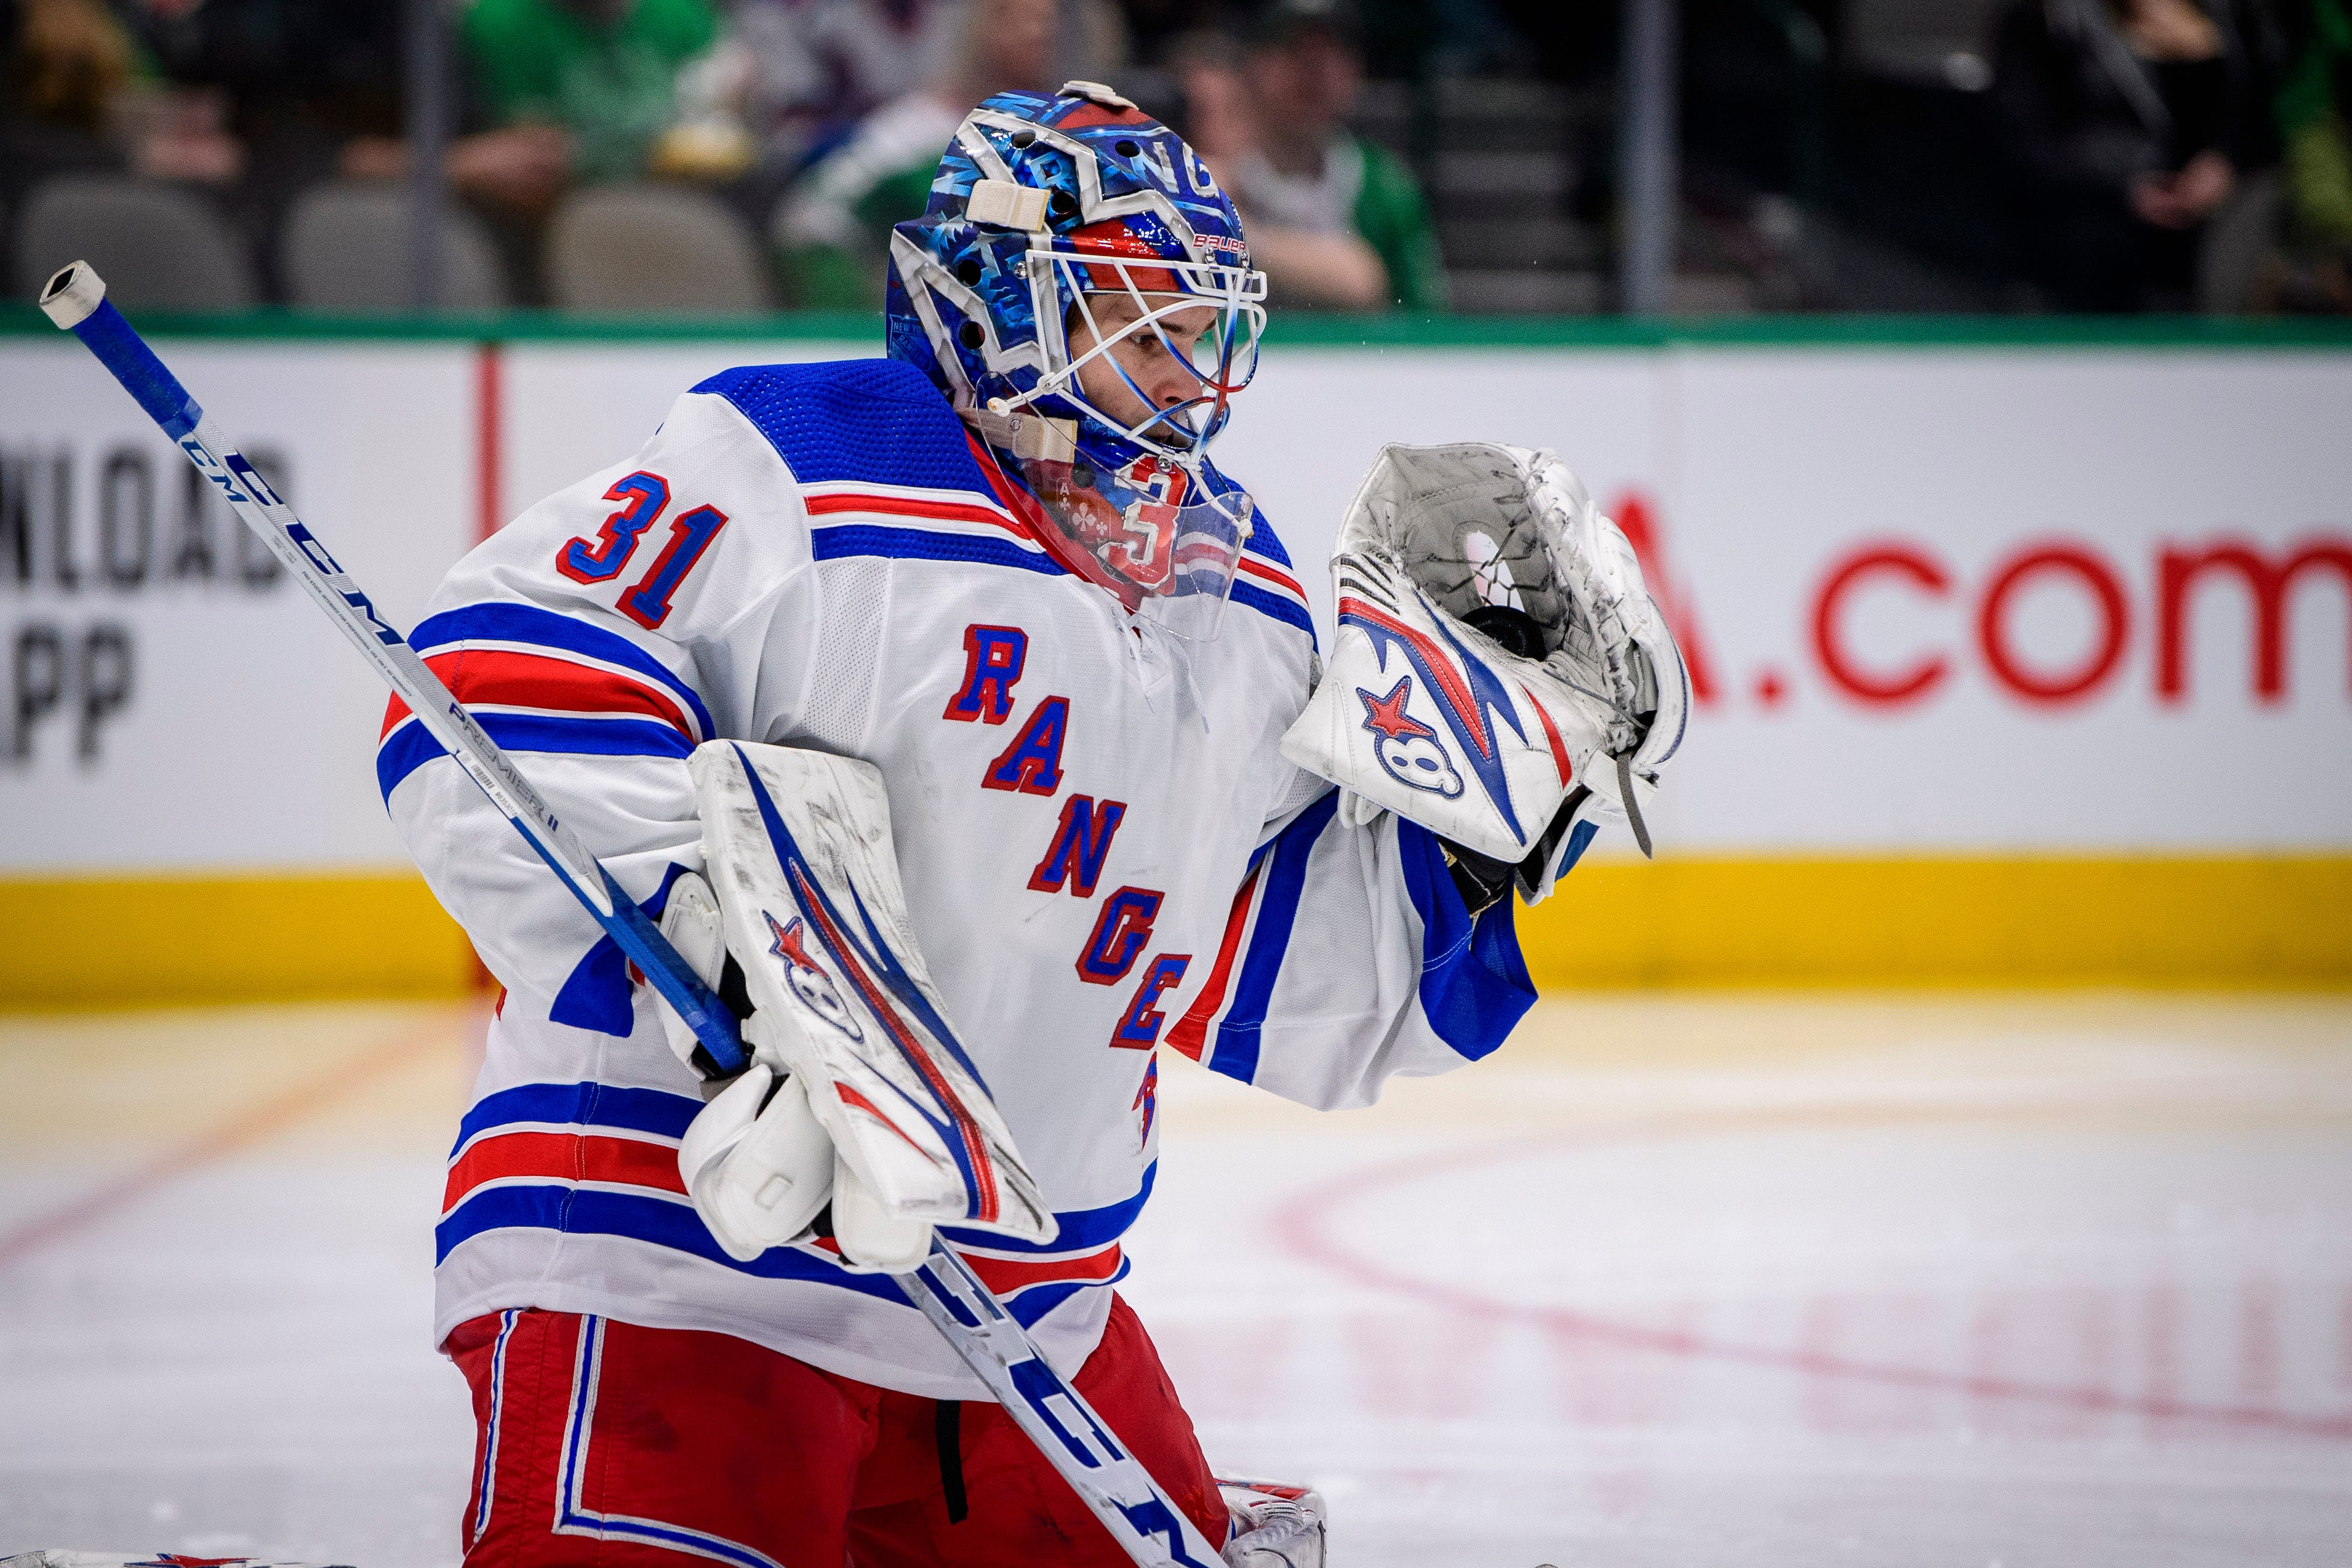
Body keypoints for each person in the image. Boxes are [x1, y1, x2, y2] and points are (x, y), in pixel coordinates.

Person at [385, 79, 1672, 1563]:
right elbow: (499, 670)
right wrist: (715, 950)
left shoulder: (1233, 591)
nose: (1179, 361)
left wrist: (1475, 855)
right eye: (1129, 304)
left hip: (1024, 1323)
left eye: (1195, 317)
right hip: (680, 1261)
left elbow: (1256, 969)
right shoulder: (799, 461)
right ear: (989, 300)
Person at [769, 0, 1109, 304]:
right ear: (980, 24)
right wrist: (853, 324)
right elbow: (810, 223)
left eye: (1047, 19)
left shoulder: (1086, 139)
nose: (1038, 32)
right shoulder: (918, 131)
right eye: (1015, 16)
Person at [1989, 0, 2278, 310]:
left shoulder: (2238, 16)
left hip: (2223, 244)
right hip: (2092, 250)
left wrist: (2227, 160)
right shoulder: (2051, 20)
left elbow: (2266, 113)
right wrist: (2125, 186)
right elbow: (2024, 142)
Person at [1218, 0, 1445, 311]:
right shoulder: (1212, 175)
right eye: (1294, 50)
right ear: (1255, 63)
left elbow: (1418, 313)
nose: (1314, 70)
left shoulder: (1383, 185)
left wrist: (1236, 239)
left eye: (1330, 52)